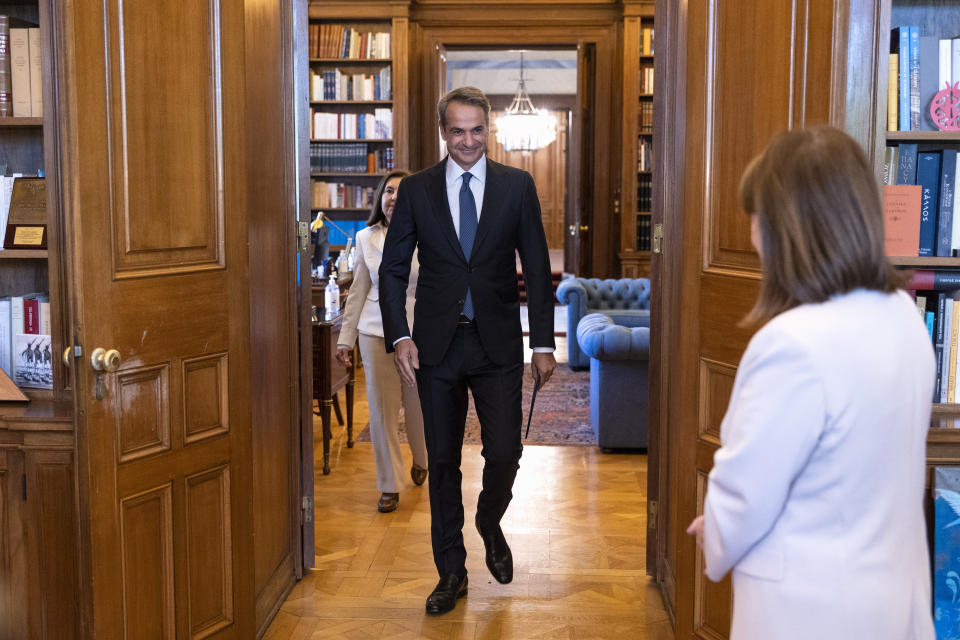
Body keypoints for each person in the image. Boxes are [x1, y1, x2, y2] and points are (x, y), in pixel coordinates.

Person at [686, 126, 935, 639]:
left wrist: (716, 528)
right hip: (891, 597)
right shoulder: (903, 316)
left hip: (810, 608)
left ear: (787, 227)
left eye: (756, 216)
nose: (752, 234)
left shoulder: (793, 344)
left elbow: (746, 493)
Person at [378, 86, 557, 615]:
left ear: (489, 129)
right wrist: (399, 334)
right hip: (434, 345)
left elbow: (539, 268)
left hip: (497, 341)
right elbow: (392, 270)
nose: (468, 140)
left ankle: (488, 519)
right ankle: (451, 571)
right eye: (457, 131)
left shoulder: (517, 187)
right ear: (443, 132)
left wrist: (544, 343)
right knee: (443, 462)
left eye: (477, 129)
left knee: (505, 451)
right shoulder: (416, 190)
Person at [336, 170, 428, 514]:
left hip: (420, 334)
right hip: (375, 333)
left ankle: (422, 458)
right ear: (380, 198)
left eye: (401, 192)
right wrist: (345, 340)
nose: (393, 197)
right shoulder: (364, 238)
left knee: (418, 405)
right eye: (389, 191)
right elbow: (358, 291)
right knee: (382, 411)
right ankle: (389, 484)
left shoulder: (429, 235)